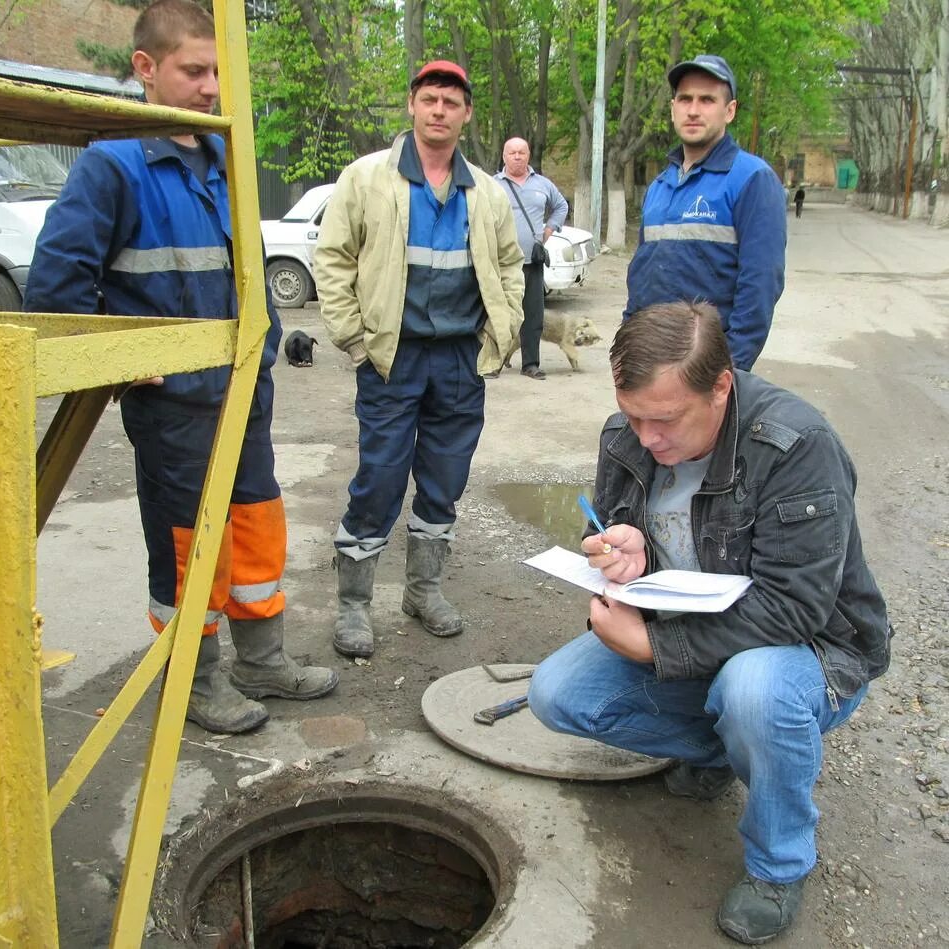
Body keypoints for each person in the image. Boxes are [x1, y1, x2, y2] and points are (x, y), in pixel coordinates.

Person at [528, 301, 892, 945]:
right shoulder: (628, 433)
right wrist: (620, 547)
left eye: (663, 420)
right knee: (556, 694)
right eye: (633, 415)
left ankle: (778, 864)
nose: (645, 438)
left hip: (808, 651)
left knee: (754, 692)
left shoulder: (796, 446)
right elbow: (609, 526)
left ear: (721, 386)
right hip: (696, 636)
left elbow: (795, 608)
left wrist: (653, 645)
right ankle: (731, 748)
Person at [25, 0, 338, 735]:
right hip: (176, 410)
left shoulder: (225, 154)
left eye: (218, 71)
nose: (210, 87)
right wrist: (124, 361)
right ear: (146, 68)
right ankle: (195, 681)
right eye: (194, 71)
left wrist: (272, 344)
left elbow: (247, 269)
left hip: (243, 395)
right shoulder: (114, 165)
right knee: (187, 547)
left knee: (256, 531)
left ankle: (262, 660)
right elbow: (56, 290)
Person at [313, 60, 524, 660]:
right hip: (392, 358)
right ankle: (354, 603)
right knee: (378, 478)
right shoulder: (366, 179)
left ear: (466, 114)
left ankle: (423, 590)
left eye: (450, 102)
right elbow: (332, 259)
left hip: (461, 359)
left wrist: (503, 333)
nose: (439, 110)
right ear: (412, 104)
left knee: (444, 481)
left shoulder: (485, 190)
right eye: (429, 98)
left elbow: (509, 265)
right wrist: (353, 338)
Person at [623, 55, 786, 371]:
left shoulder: (752, 179)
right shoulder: (661, 185)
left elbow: (760, 287)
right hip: (650, 362)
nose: (693, 110)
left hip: (706, 368)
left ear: (730, 111)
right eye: (685, 99)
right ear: (673, 109)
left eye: (707, 100)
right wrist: (628, 348)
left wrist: (730, 369)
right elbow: (642, 274)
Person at [493, 137, 568, 380]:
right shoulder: (493, 185)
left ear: (528, 155)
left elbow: (561, 206)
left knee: (533, 315)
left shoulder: (543, 184)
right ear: (504, 156)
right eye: (512, 152)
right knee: (499, 314)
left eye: (521, 152)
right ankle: (493, 362)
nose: (517, 156)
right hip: (502, 263)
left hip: (532, 263)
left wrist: (550, 229)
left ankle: (530, 364)